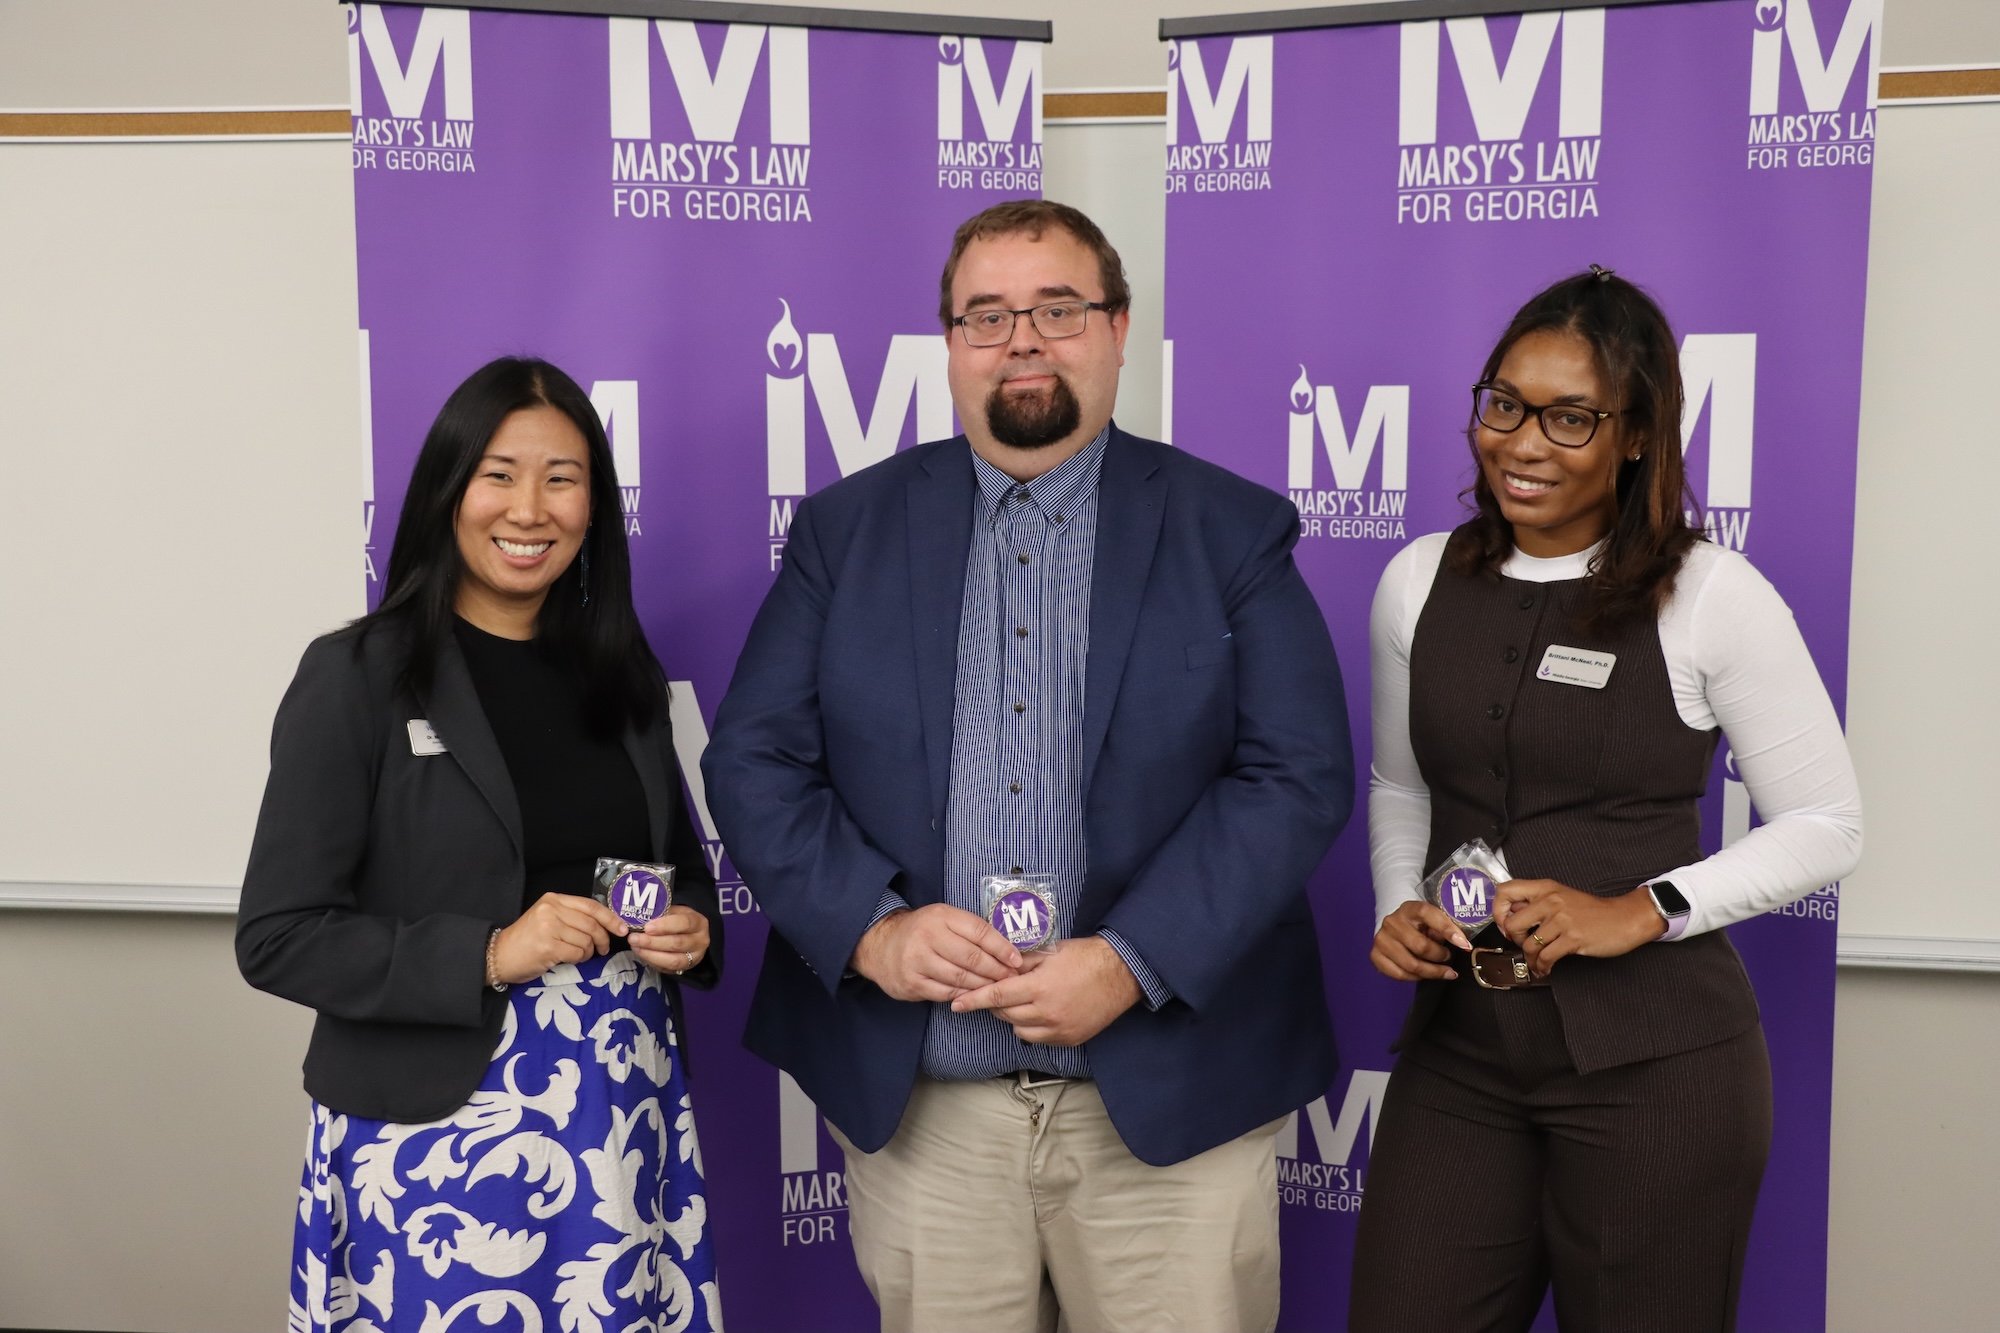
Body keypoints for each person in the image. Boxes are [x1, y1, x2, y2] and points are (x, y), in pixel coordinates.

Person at [701, 199, 1353, 1333]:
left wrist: (1130, 959)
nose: (1022, 340)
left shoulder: (1230, 529)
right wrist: (871, 929)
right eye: (987, 315)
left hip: (1170, 1110)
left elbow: (1295, 773)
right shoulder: (843, 532)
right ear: (949, 342)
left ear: (1115, 327)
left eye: (1057, 309)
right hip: (928, 1116)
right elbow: (754, 758)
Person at [1349, 268, 1863, 1332]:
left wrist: (1637, 908)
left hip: (1657, 1074)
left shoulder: (1709, 594)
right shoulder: (1414, 580)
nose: (1521, 442)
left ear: (1635, 436)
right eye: (1503, 404)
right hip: (1460, 1061)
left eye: (1568, 418)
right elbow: (1401, 782)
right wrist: (1396, 898)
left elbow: (1826, 823)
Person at [237, 357, 723, 1333]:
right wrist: (491, 951)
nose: (529, 507)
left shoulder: (621, 676)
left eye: (562, 476)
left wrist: (690, 932)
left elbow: (690, 885)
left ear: (594, 505)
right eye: (499, 473)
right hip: (433, 1131)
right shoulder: (357, 675)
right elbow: (280, 935)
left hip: (618, 1117)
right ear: (448, 490)